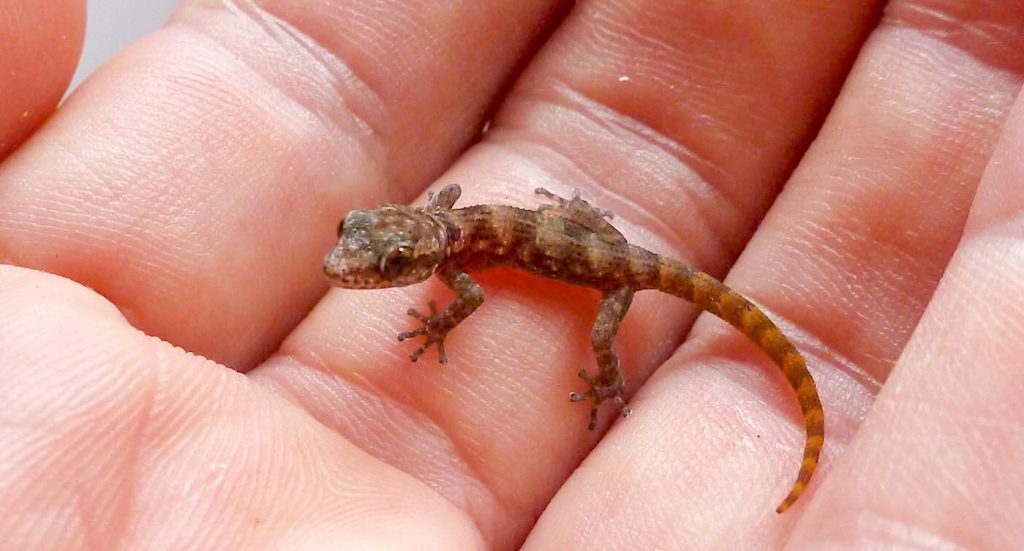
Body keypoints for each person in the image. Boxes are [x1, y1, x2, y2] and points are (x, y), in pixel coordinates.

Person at [1, 2, 1022, 549]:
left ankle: (660, 390)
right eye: (368, 252)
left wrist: (463, 326)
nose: (354, 268)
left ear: (418, 247)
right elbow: (447, 237)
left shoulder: (466, 258)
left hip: (621, 270)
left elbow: (473, 287)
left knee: (606, 337)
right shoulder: (445, 227)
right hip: (590, 238)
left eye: (378, 260)